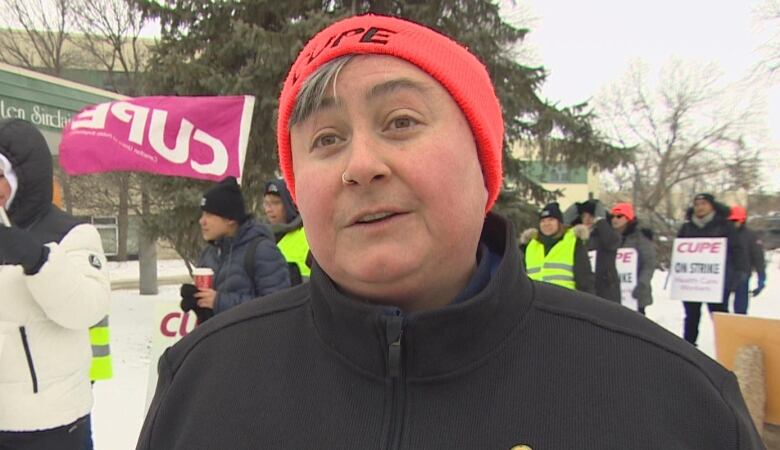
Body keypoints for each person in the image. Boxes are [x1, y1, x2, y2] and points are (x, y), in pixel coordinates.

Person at [139, 15, 762, 449]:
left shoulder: (673, 398)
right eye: (326, 140)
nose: (361, 165)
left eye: (401, 121)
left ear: (484, 161)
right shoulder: (201, 381)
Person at [0, 118, 111, 449]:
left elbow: (87, 307)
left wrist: (38, 260)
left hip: (55, 426)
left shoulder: (73, 234)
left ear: (24, 176)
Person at [179, 176, 290, 323]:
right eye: (202, 214)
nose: (202, 221)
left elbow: (278, 307)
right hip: (218, 342)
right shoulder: (209, 253)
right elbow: (212, 307)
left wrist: (219, 301)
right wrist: (198, 303)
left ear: (230, 219)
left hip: (251, 343)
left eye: (209, 215)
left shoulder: (262, 250)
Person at [677, 193, 749, 345]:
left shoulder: (725, 226)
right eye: (697, 204)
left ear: (712, 206)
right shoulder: (687, 227)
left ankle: (728, 348)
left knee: (719, 316)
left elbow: (738, 252)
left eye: (704, 203)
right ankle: (689, 349)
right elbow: (679, 253)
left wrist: (736, 276)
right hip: (692, 283)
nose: (700, 207)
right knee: (691, 317)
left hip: (717, 282)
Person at [519, 202, 594, 293]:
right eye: (543, 221)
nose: (546, 224)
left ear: (559, 223)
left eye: (551, 219)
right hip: (537, 304)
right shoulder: (530, 246)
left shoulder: (573, 243)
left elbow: (585, 282)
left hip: (565, 304)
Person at [569, 199, 622, 302]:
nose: (587, 219)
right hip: (585, 288)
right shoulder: (576, 237)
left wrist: (600, 220)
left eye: (591, 216)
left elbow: (610, 242)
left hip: (606, 288)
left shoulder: (609, 234)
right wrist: (574, 208)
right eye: (584, 216)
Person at [611, 202, 657, 315]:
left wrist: (642, 284)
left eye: (619, 216)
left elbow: (649, 263)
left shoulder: (641, 238)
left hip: (635, 293)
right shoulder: (608, 236)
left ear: (628, 218)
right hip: (614, 293)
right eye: (612, 216)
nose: (614, 219)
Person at [263, 179, 311, 284]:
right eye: (266, 203)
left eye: (276, 203)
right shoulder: (260, 237)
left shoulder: (309, 235)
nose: (269, 209)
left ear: (289, 204)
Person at [728, 205, 767, 314]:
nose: (734, 223)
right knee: (721, 309)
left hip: (742, 274)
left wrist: (761, 278)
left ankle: (739, 324)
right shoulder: (723, 234)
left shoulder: (750, 236)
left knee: (740, 307)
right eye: (731, 221)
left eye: (736, 220)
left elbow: (758, 257)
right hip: (725, 275)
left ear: (742, 220)